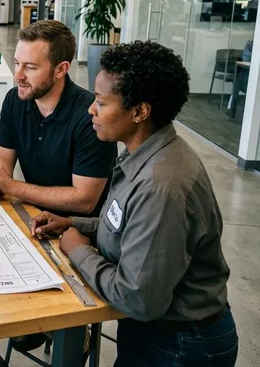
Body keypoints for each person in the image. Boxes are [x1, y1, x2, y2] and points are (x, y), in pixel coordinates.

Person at [32, 41, 238, 367]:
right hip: (155, 334)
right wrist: (72, 224)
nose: (91, 110)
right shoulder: (144, 153)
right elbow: (130, 226)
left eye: (101, 103)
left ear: (140, 112)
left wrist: (79, 251)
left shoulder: (161, 187)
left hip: (179, 344)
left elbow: (137, 297)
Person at [0, 20, 117, 352]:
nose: (18, 75)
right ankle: (37, 321)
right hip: (33, 217)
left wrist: (10, 186)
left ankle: (67, 329)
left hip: (79, 229)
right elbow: (1, 162)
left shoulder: (90, 116)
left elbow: (84, 200)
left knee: (49, 319)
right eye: (17, 63)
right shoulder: (16, 100)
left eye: (30, 67)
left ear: (61, 69)